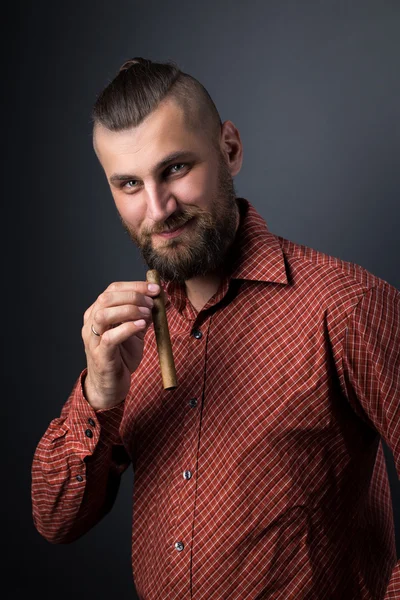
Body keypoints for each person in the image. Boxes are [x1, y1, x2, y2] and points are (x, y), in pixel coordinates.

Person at [31, 57, 399, 599]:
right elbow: (55, 519)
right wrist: (99, 392)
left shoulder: (345, 305)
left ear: (229, 149)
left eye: (175, 168)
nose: (157, 209)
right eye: (129, 183)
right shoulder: (129, 339)